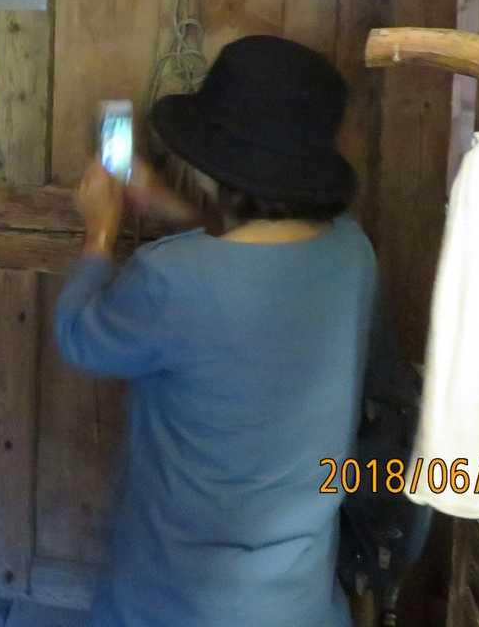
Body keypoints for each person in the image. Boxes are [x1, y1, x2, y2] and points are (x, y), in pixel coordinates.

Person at [56, 35, 380, 627]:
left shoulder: (172, 277)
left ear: (211, 165)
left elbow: (79, 336)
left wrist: (100, 232)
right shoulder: (353, 253)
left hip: (176, 603)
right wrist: (173, 208)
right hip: (300, 602)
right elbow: (260, 253)